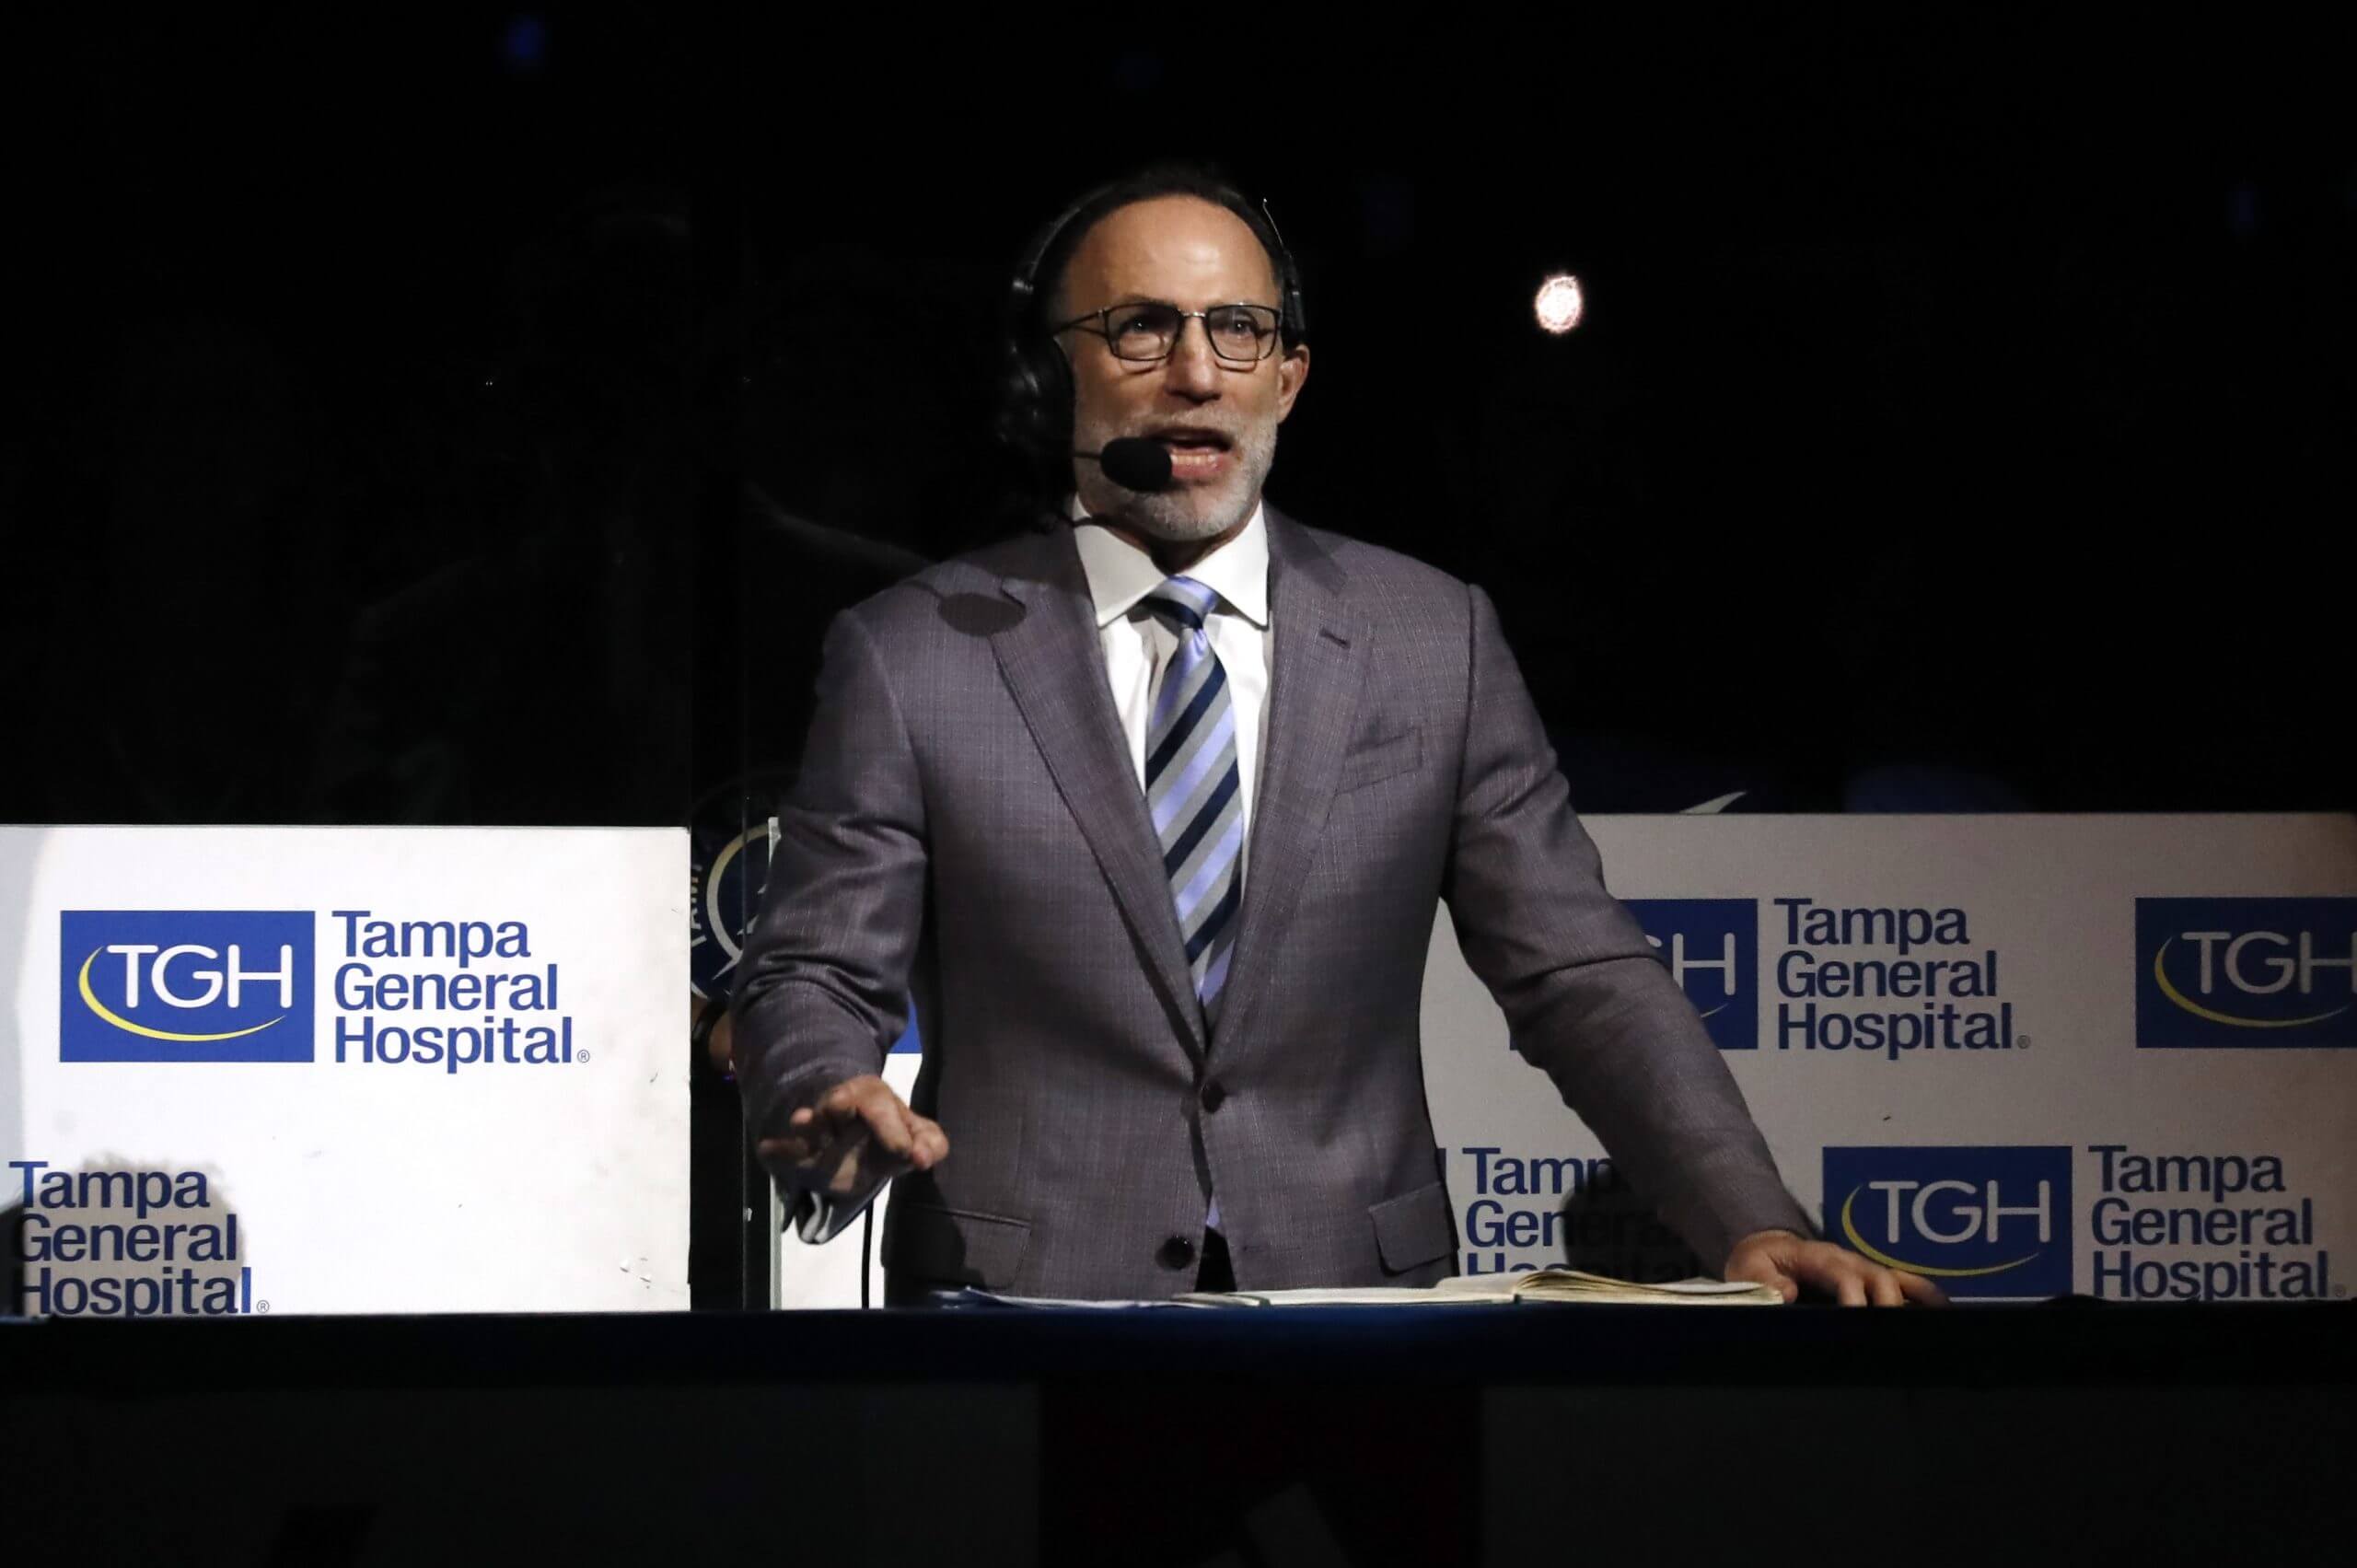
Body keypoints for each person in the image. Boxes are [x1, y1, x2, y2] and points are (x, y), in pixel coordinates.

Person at [731, 164, 1939, 1307]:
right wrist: (820, 1089)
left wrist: (1748, 1221)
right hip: (1017, 1309)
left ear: (1289, 379)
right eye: (1141, 329)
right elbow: (816, 971)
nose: (1196, 373)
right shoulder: (913, 651)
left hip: (1361, 1314)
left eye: (1238, 330)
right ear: (1051, 381)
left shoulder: (1435, 638)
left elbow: (1580, 975)